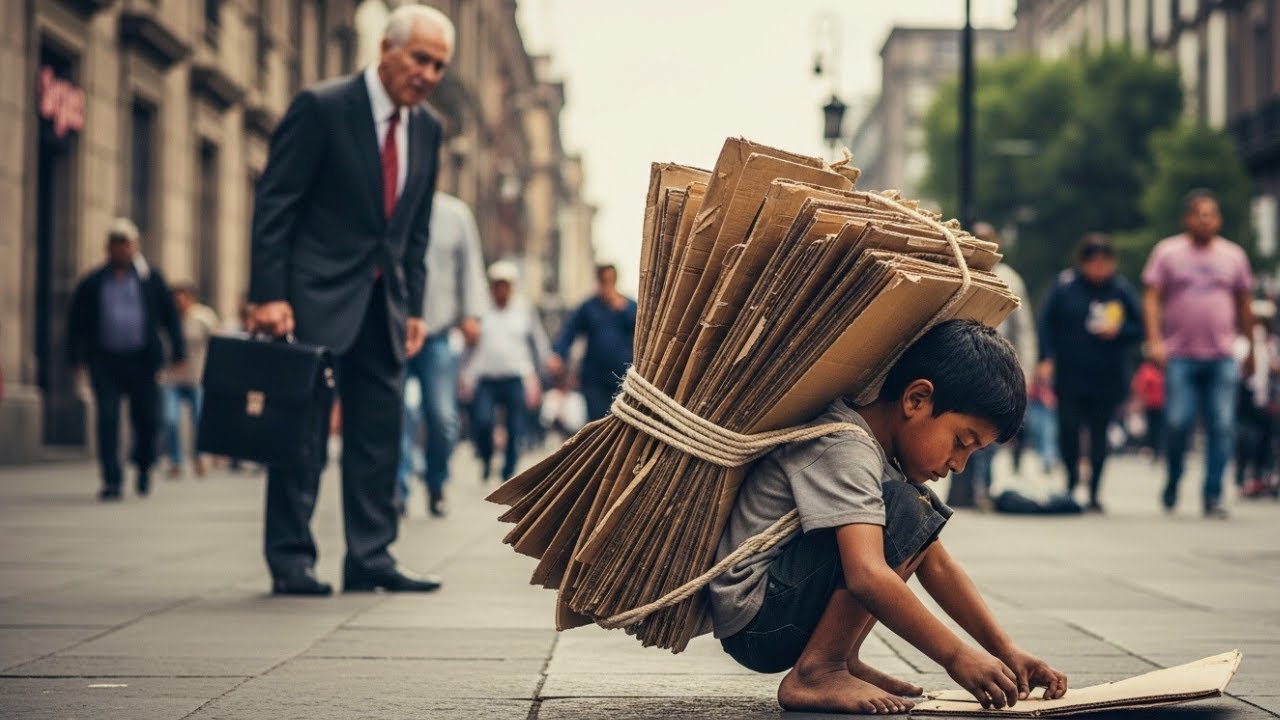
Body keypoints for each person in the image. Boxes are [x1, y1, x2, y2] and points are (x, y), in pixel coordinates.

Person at [708, 320, 1067, 714]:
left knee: (916, 510)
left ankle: (841, 657)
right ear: (917, 399)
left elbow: (937, 565)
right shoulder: (846, 447)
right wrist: (956, 657)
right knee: (908, 508)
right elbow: (866, 575)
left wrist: (1005, 650)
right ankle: (820, 668)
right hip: (759, 620)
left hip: (779, 610)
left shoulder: (881, 458)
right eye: (961, 442)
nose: (959, 464)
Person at [247, 5, 451, 596]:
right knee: (303, 434)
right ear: (387, 48)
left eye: (439, 66)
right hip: (313, 298)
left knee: (379, 435)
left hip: (385, 307)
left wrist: (414, 307)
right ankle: (291, 560)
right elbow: (276, 205)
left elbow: (414, 231)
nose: (428, 74)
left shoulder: (429, 129)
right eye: (420, 59)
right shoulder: (323, 106)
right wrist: (269, 295)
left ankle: (370, 557)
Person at [1142, 190, 1255, 518]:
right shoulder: (1168, 252)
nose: (1204, 220)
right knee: (1178, 422)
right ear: (1187, 219)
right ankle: (1174, 476)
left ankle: (1213, 494)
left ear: (1218, 220)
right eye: (1198, 214)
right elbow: (1152, 298)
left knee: (1222, 425)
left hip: (1222, 354)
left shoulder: (1234, 256)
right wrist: (1155, 341)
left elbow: (1244, 304)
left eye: (1210, 214)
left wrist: (1250, 349)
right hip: (1180, 354)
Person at [65, 218, 185, 501]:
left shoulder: (151, 279)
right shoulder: (93, 282)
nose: (122, 249)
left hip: (142, 361)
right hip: (105, 360)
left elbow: (170, 318)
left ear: (135, 246)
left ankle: (143, 466)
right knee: (107, 418)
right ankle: (112, 479)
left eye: (126, 243)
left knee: (146, 419)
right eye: (116, 243)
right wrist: (75, 357)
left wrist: (178, 353)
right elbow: (76, 322)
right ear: (108, 247)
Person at [1036, 234, 1142, 512]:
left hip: (1107, 377)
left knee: (1099, 434)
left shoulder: (1121, 290)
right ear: (1083, 263)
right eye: (1094, 262)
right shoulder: (1065, 287)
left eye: (1105, 262)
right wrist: (1045, 358)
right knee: (1068, 430)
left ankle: (1095, 489)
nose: (1100, 268)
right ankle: (1071, 481)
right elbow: (1045, 324)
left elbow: (1139, 327)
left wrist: (1119, 331)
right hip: (1070, 374)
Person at [397, 191, 487, 518]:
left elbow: (470, 266)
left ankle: (436, 483)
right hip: (395, 332)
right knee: (398, 413)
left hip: (436, 334)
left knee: (442, 418)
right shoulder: (394, 203)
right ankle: (398, 491)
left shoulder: (455, 214)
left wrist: (472, 314)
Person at [461, 261, 552, 482]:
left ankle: (508, 469)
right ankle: (486, 456)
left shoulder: (524, 310)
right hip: (486, 377)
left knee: (515, 425)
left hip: (515, 376)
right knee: (482, 420)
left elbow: (537, 342)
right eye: (497, 285)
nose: (501, 290)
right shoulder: (480, 310)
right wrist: (464, 374)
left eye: (505, 285)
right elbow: (468, 347)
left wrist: (544, 366)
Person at [548, 264, 637, 421]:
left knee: (620, 422)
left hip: (623, 377)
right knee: (597, 420)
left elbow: (640, 335)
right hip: (594, 379)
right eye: (603, 281)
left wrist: (623, 311)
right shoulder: (589, 307)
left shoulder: (629, 307)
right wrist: (558, 354)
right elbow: (570, 331)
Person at [160, 283, 219, 479]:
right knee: (170, 419)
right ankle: (176, 460)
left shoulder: (204, 317)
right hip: (171, 379)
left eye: (181, 298)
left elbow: (217, 345)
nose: (178, 303)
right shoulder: (166, 318)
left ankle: (200, 457)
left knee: (200, 420)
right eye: (175, 299)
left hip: (197, 379)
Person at [1234, 299, 1278, 498]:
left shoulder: (1272, 342)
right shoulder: (1242, 342)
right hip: (1247, 396)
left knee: (1266, 440)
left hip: (1268, 397)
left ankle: (1262, 477)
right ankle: (1244, 476)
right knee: (1247, 439)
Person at [1130, 351, 1166, 459]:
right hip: (1150, 405)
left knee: (1160, 428)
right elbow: (1138, 386)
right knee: (1151, 428)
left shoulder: (1162, 369)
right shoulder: (1146, 370)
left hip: (1162, 405)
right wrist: (1138, 402)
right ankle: (1151, 449)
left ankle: (1159, 449)